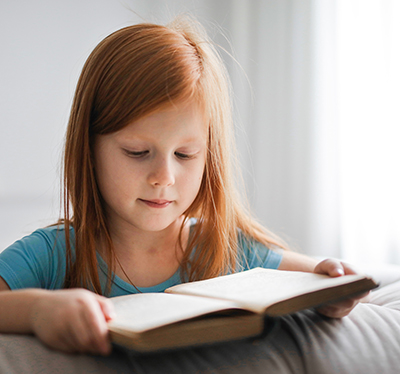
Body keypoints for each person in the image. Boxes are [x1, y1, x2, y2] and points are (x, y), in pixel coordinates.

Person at [0, 16, 367, 356]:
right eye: (138, 151)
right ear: (89, 149)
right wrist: (35, 310)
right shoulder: (52, 255)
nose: (164, 176)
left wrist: (333, 286)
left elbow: (324, 277)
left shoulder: (225, 248)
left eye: (186, 154)